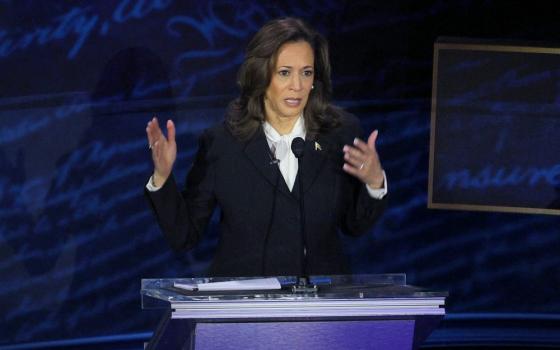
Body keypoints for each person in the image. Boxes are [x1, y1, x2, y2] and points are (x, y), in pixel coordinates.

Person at [145, 17, 388, 277]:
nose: (297, 86)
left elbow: (354, 225)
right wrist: (162, 177)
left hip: (320, 306)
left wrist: (374, 183)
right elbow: (185, 236)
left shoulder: (340, 133)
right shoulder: (222, 144)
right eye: (285, 73)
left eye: (306, 72)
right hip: (246, 308)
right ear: (261, 75)